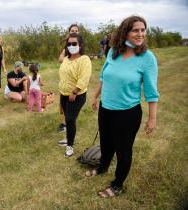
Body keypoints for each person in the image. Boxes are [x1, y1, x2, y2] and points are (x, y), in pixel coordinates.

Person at [86, 15, 159, 198]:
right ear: (125, 32)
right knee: (106, 143)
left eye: (143, 30)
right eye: (136, 30)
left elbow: (151, 92)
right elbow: (104, 76)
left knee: (123, 150)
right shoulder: (113, 52)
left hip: (127, 113)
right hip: (106, 108)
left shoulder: (147, 58)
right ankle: (102, 168)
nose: (140, 33)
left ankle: (117, 184)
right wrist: (95, 97)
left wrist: (152, 118)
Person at [58, 33, 92, 157]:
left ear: (80, 45)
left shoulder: (84, 59)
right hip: (63, 94)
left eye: (74, 43)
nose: (71, 46)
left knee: (70, 119)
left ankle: (70, 146)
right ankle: (68, 138)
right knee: (68, 119)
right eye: (69, 44)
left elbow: (84, 78)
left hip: (76, 95)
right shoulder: (66, 58)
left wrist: (74, 91)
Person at [57, 23, 80, 133]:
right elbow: (60, 58)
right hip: (65, 81)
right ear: (69, 32)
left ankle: (69, 123)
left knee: (72, 107)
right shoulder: (67, 46)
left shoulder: (80, 46)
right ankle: (65, 123)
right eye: (72, 30)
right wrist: (68, 59)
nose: (74, 31)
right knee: (64, 106)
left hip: (75, 82)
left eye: (76, 30)